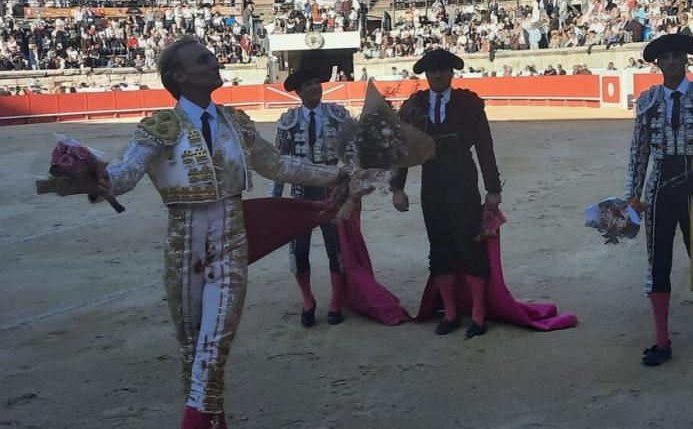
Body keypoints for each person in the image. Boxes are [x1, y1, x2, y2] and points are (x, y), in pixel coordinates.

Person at [98, 37, 351, 428]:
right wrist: (87, 178)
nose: (214, 62)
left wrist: (337, 173)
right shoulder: (159, 126)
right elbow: (122, 175)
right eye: (203, 60)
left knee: (214, 343)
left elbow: (279, 165)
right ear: (180, 77)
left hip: (230, 239)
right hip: (184, 246)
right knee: (193, 348)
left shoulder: (237, 123)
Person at [391, 49, 502, 337]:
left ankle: (478, 314)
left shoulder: (468, 103)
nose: (438, 75)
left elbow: (484, 146)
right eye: (432, 71)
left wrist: (492, 188)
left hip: (464, 179)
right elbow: (404, 149)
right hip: (433, 181)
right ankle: (450, 312)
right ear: (426, 75)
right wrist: (397, 187)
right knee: (439, 246)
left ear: (452, 73)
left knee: (471, 244)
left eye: (443, 70)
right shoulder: (415, 106)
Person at [625, 34, 693, 366]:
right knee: (659, 261)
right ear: (657, 64)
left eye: (676, 56)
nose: (671, 62)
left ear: (686, 60)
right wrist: (633, 194)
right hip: (659, 189)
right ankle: (661, 339)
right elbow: (639, 152)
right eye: (665, 57)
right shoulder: (647, 100)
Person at [272, 68, 350, 327]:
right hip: (300, 192)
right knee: (300, 251)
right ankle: (308, 301)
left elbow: (353, 155)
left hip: (332, 191)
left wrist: (352, 185)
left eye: (318, 81)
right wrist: (276, 199)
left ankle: (336, 302)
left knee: (336, 250)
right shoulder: (288, 121)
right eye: (310, 83)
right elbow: (278, 164)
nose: (316, 86)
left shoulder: (339, 116)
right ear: (299, 91)